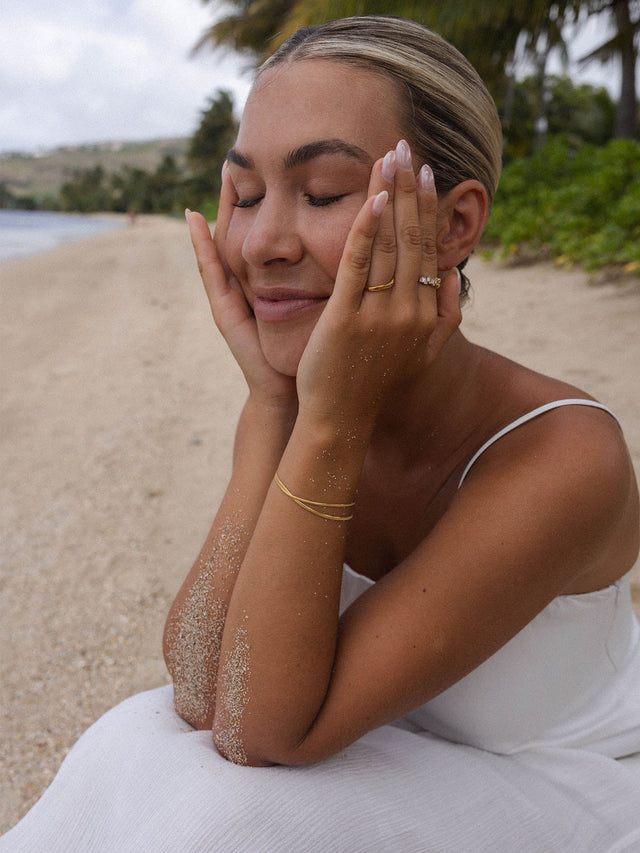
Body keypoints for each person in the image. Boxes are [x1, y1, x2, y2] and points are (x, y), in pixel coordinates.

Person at [2, 16, 640, 852]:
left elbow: (264, 733)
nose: (262, 243)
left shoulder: (565, 457)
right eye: (248, 195)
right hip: (375, 755)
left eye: (324, 193)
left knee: (228, 814)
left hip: (568, 789)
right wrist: (273, 405)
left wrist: (326, 422)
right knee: (133, 740)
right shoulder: (300, 407)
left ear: (452, 226)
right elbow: (199, 686)